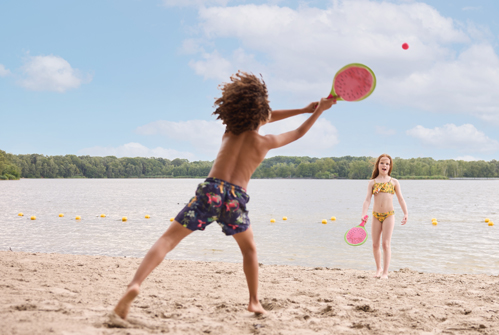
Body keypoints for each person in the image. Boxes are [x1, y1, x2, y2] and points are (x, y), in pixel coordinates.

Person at [114, 72, 336, 319]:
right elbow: (298, 133)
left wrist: (302, 108)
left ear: (234, 110)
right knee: (249, 250)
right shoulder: (265, 142)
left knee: (168, 240)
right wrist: (316, 112)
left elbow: (262, 117)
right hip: (235, 199)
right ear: (260, 114)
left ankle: (135, 284)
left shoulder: (229, 132)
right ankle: (254, 301)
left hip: (211, 191)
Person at [360, 154, 408, 279]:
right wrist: (363, 214)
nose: (384, 165)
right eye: (382, 163)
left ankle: (385, 272)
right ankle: (378, 268)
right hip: (376, 215)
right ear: (378, 165)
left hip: (389, 215)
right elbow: (367, 200)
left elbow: (401, 199)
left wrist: (405, 213)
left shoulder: (394, 182)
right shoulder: (372, 182)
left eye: (387, 163)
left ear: (390, 166)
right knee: (375, 244)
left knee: (386, 244)